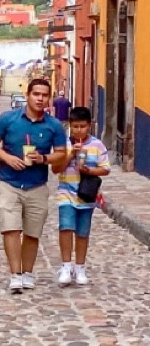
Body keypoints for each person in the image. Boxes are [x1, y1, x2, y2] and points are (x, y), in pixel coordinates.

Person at [0, 76, 68, 294]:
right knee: (10, 228)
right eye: (36, 94)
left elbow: (61, 154)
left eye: (44, 95)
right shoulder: (8, 119)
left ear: (48, 98)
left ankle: (27, 273)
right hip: (9, 182)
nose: (40, 99)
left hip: (37, 185)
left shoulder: (54, 126)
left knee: (33, 232)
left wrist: (44, 159)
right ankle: (15, 275)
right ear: (28, 95)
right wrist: (7, 158)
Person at [54, 104, 110, 287]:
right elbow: (56, 169)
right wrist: (71, 154)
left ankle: (80, 267)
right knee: (65, 227)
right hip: (66, 193)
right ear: (70, 125)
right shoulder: (64, 145)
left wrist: (90, 171)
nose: (79, 130)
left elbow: (105, 169)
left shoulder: (97, 145)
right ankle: (66, 265)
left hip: (86, 196)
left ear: (89, 126)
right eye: (75, 126)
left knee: (82, 233)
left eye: (82, 126)